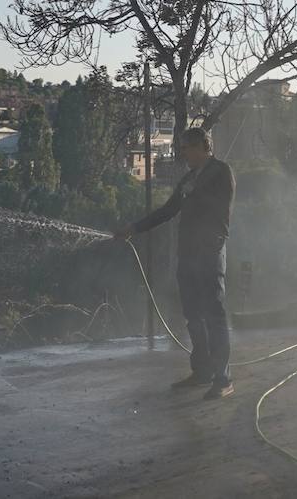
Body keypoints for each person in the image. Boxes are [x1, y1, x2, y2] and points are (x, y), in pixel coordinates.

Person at [115, 127, 236, 400]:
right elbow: (169, 211)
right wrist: (134, 228)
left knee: (214, 315)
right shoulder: (188, 179)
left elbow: (222, 215)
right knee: (193, 314)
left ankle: (224, 378)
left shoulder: (221, 172)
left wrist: (196, 193)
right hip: (188, 254)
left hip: (210, 253)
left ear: (203, 146)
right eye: (181, 148)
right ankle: (202, 371)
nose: (183, 153)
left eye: (186, 148)